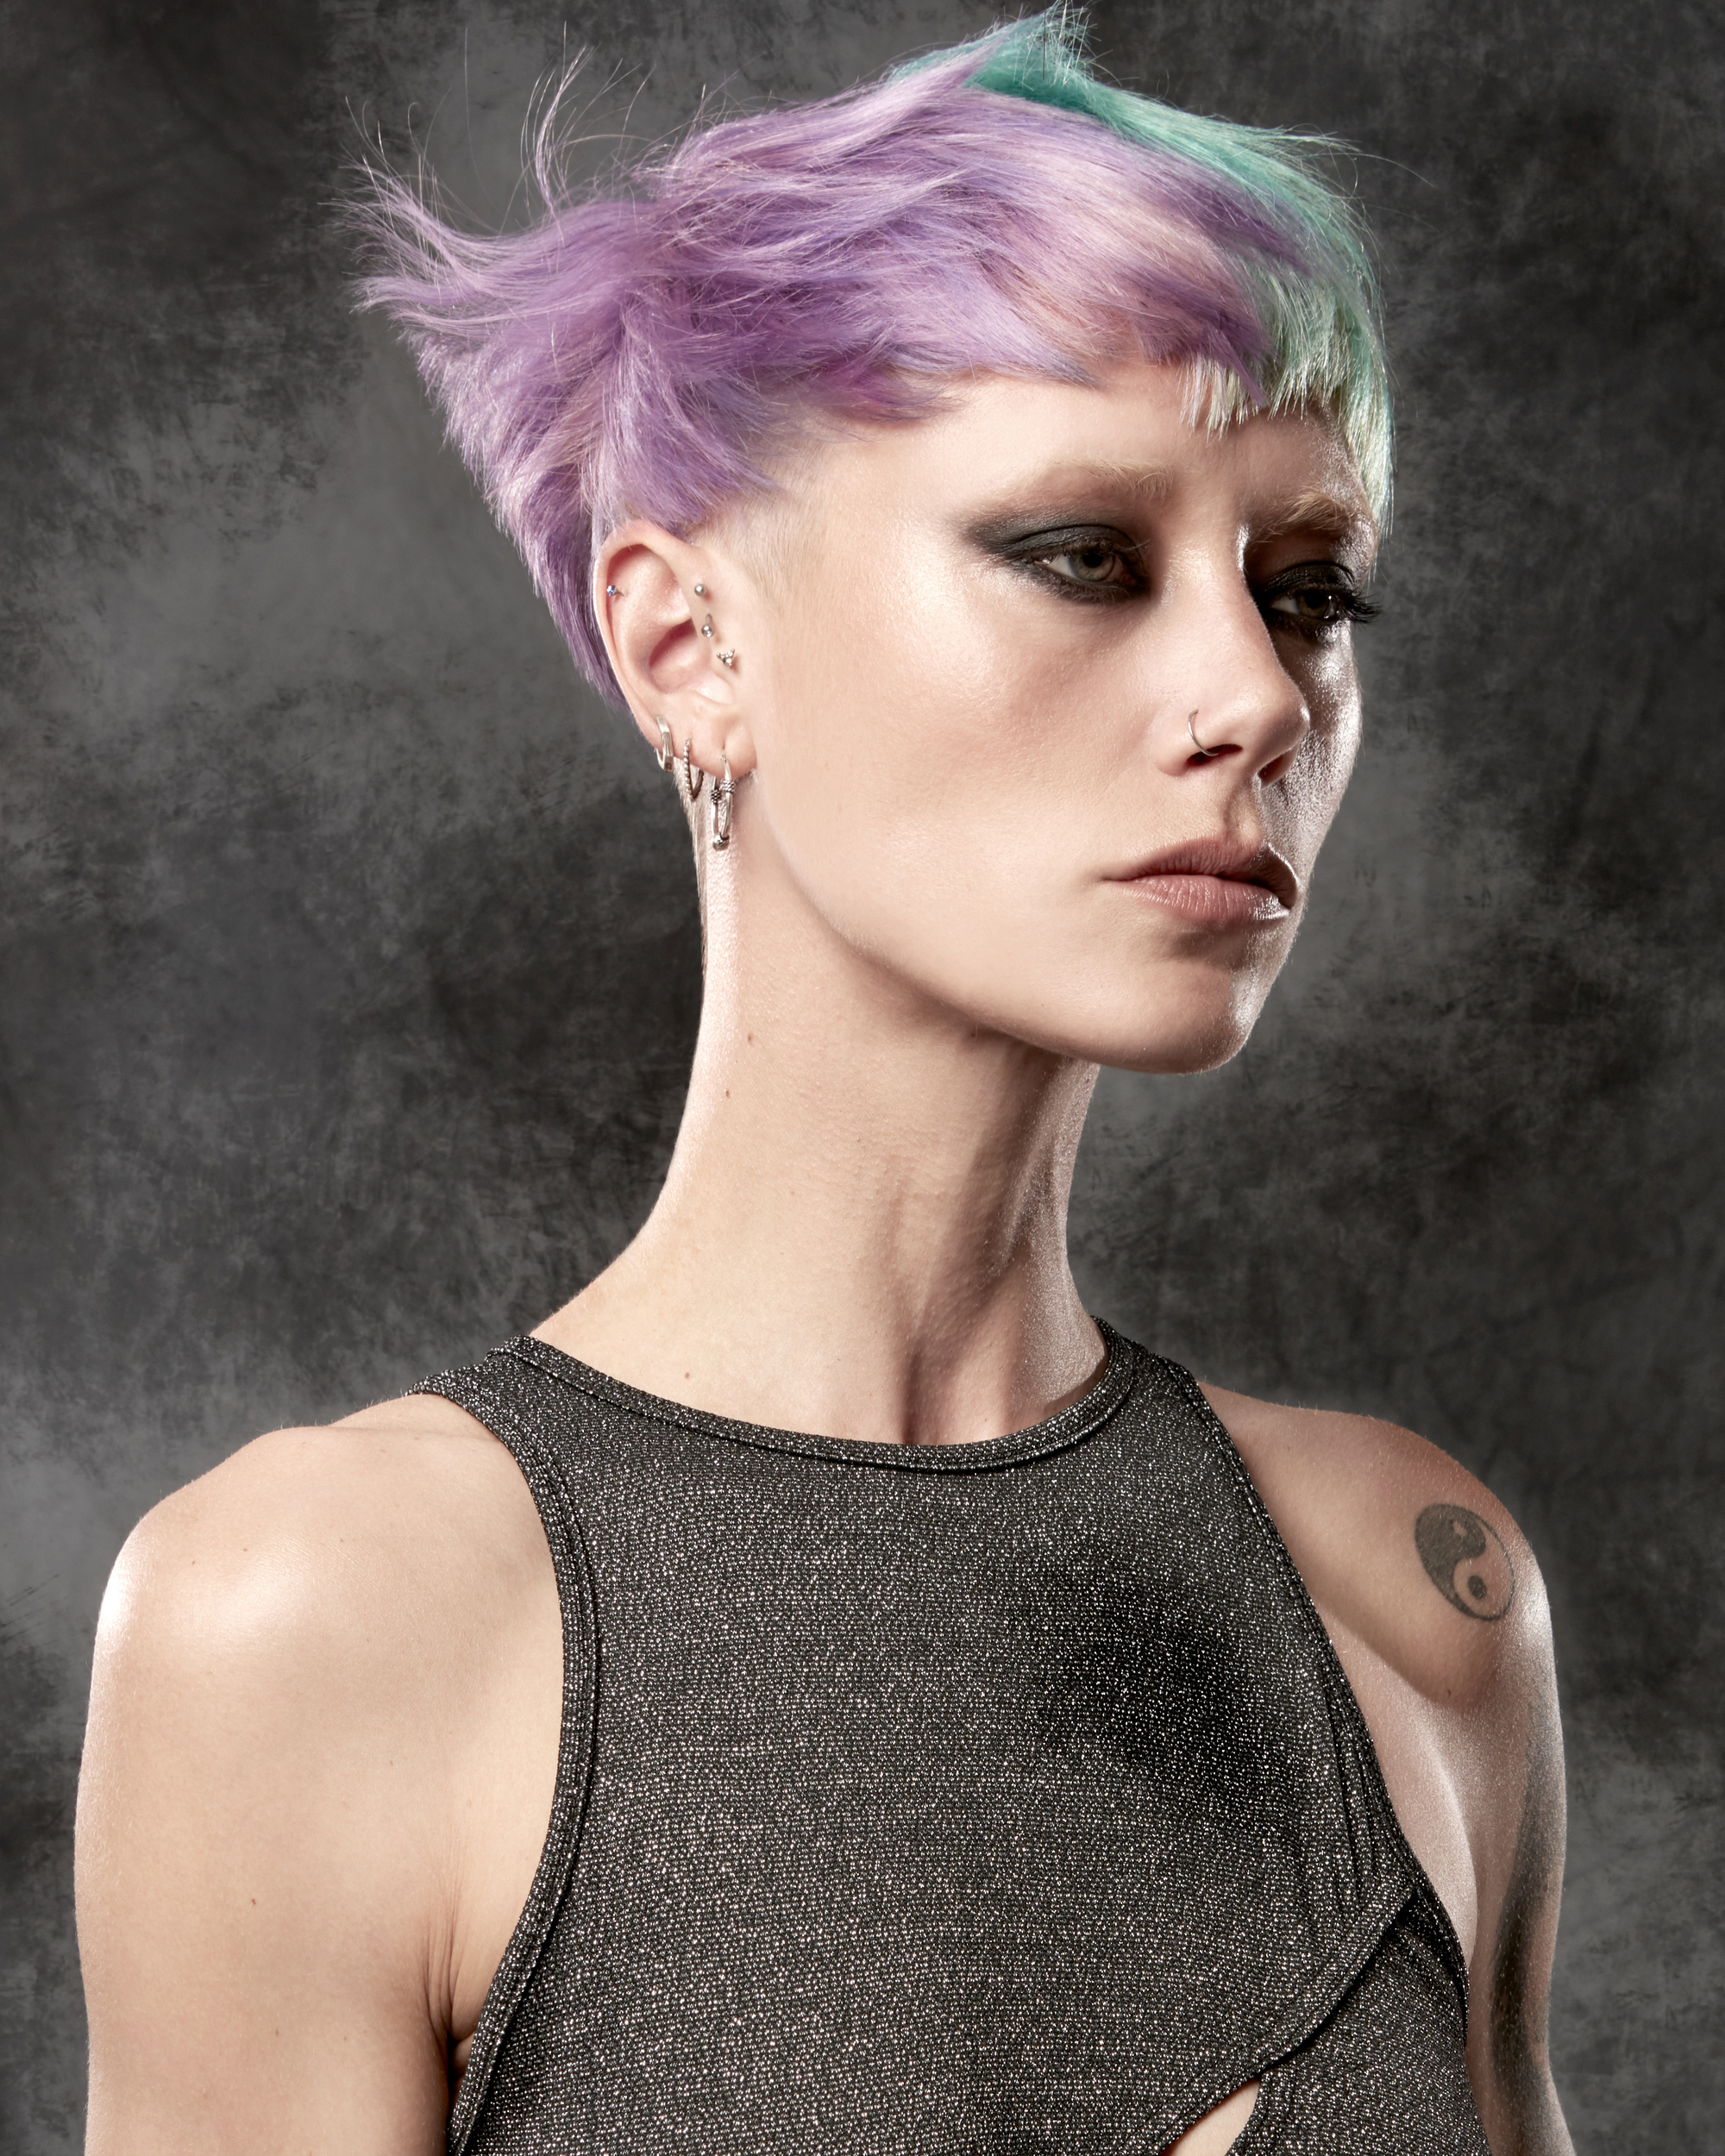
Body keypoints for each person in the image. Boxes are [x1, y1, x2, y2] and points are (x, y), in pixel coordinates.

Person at [74, 16, 1572, 2153]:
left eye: (1306, 587)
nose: (1254, 692)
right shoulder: (319, 1616)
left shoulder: (1418, 1594)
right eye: (1082, 551)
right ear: (689, 644)